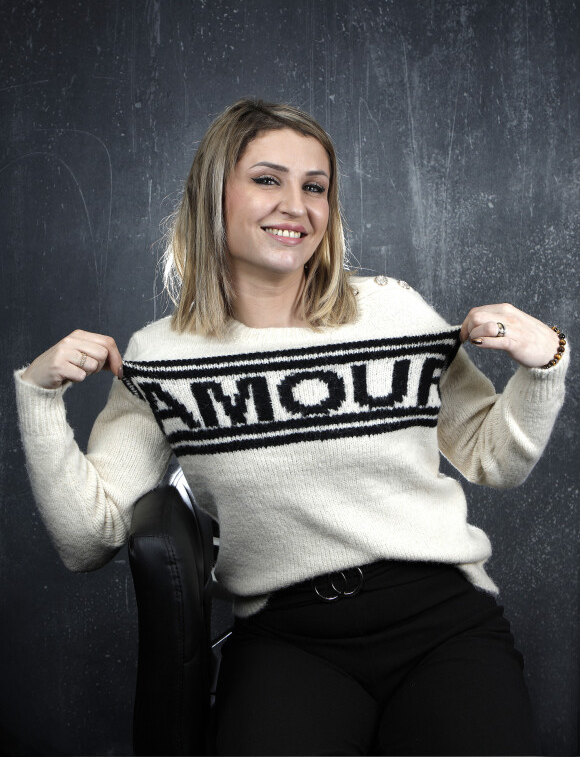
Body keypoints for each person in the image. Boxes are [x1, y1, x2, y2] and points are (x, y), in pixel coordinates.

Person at [15, 98, 568, 756]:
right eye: (267, 179)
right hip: (291, 639)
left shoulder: (392, 310)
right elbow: (90, 538)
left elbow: (493, 458)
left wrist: (544, 368)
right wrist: (40, 396)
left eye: (315, 187)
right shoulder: (162, 355)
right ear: (213, 192)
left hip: (442, 624)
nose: (296, 205)